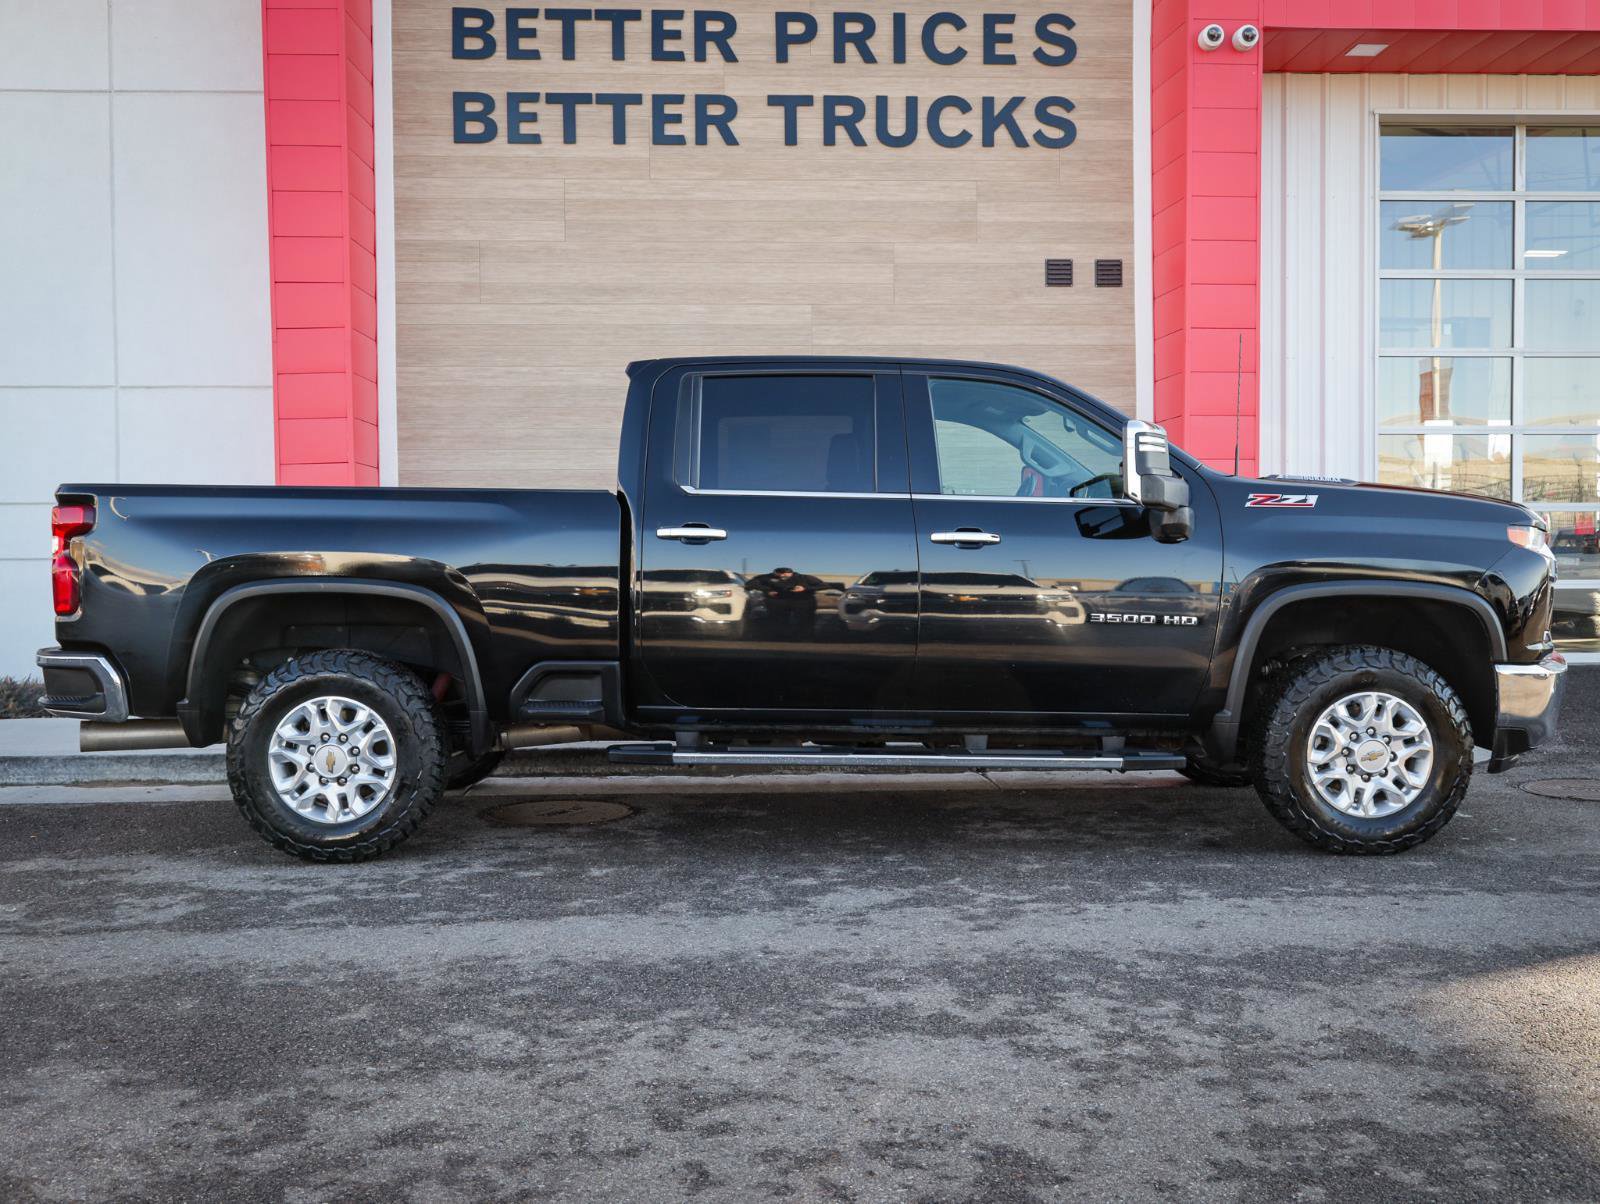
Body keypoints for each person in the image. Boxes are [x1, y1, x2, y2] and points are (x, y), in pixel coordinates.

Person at [747, 566, 823, 639]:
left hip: (802, 599)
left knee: (805, 619)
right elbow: (749, 584)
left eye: (786, 575)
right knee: (778, 619)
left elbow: (822, 585)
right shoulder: (764, 577)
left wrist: (805, 588)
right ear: (775, 573)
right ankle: (779, 636)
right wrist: (767, 590)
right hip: (777, 600)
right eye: (779, 575)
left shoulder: (804, 578)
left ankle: (805, 637)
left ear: (791, 573)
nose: (782, 577)